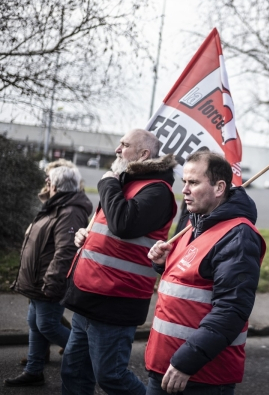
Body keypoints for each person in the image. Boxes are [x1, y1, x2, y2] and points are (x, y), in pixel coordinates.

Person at [61, 129, 177, 395]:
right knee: (74, 370)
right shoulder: (127, 183)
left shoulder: (157, 192)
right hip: (89, 295)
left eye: (124, 144)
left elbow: (124, 224)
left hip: (115, 300)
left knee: (111, 376)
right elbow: (111, 231)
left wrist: (107, 183)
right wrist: (86, 237)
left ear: (144, 154)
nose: (117, 149)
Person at [145, 151, 265, 395]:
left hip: (200, 376)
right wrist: (164, 263)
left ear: (220, 187)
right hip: (166, 365)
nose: (185, 190)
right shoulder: (195, 222)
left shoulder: (238, 235)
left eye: (194, 183)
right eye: (184, 182)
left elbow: (231, 310)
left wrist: (186, 363)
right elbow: (191, 279)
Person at [4, 163, 92, 387]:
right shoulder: (56, 206)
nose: (46, 184)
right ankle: (34, 371)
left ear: (56, 185)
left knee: (47, 325)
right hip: (37, 280)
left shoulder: (70, 211)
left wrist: (51, 282)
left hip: (48, 281)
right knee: (35, 323)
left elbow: (65, 251)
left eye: (49, 181)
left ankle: (87, 357)